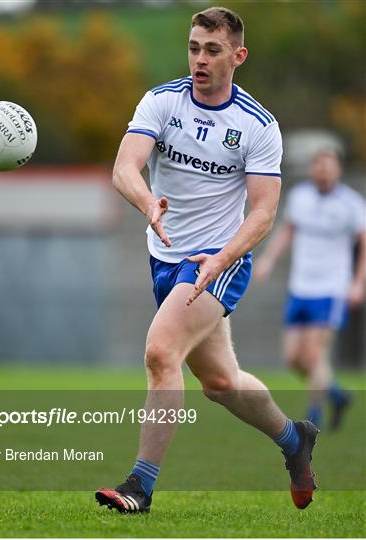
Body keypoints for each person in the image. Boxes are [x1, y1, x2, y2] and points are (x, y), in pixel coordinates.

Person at [96, 6, 318, 514]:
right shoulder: (162, 102)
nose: (200, 58)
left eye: (212, 50)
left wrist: (222, 257)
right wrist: (147, 201)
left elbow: (263, 214)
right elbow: (125, 168)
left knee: (160, 352)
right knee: (220, 383)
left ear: (237, 56)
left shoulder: (257, 125)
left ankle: (140, 486)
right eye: (194, 47)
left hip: (219, 260)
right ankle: (294, 440)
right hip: (165, 257)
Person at [254, 150, 365, 429]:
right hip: (300, 286)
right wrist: (267, 260)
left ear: (338, 170)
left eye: (328, 166)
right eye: (318, 166)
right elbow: (287, 231)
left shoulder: (351, 204)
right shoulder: (299, 196)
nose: (323, 171)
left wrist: (358, 283)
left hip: (332, 288)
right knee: (294, 359)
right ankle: (337, 394)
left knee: (315, 354)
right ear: (312, 169)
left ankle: (313, 416)